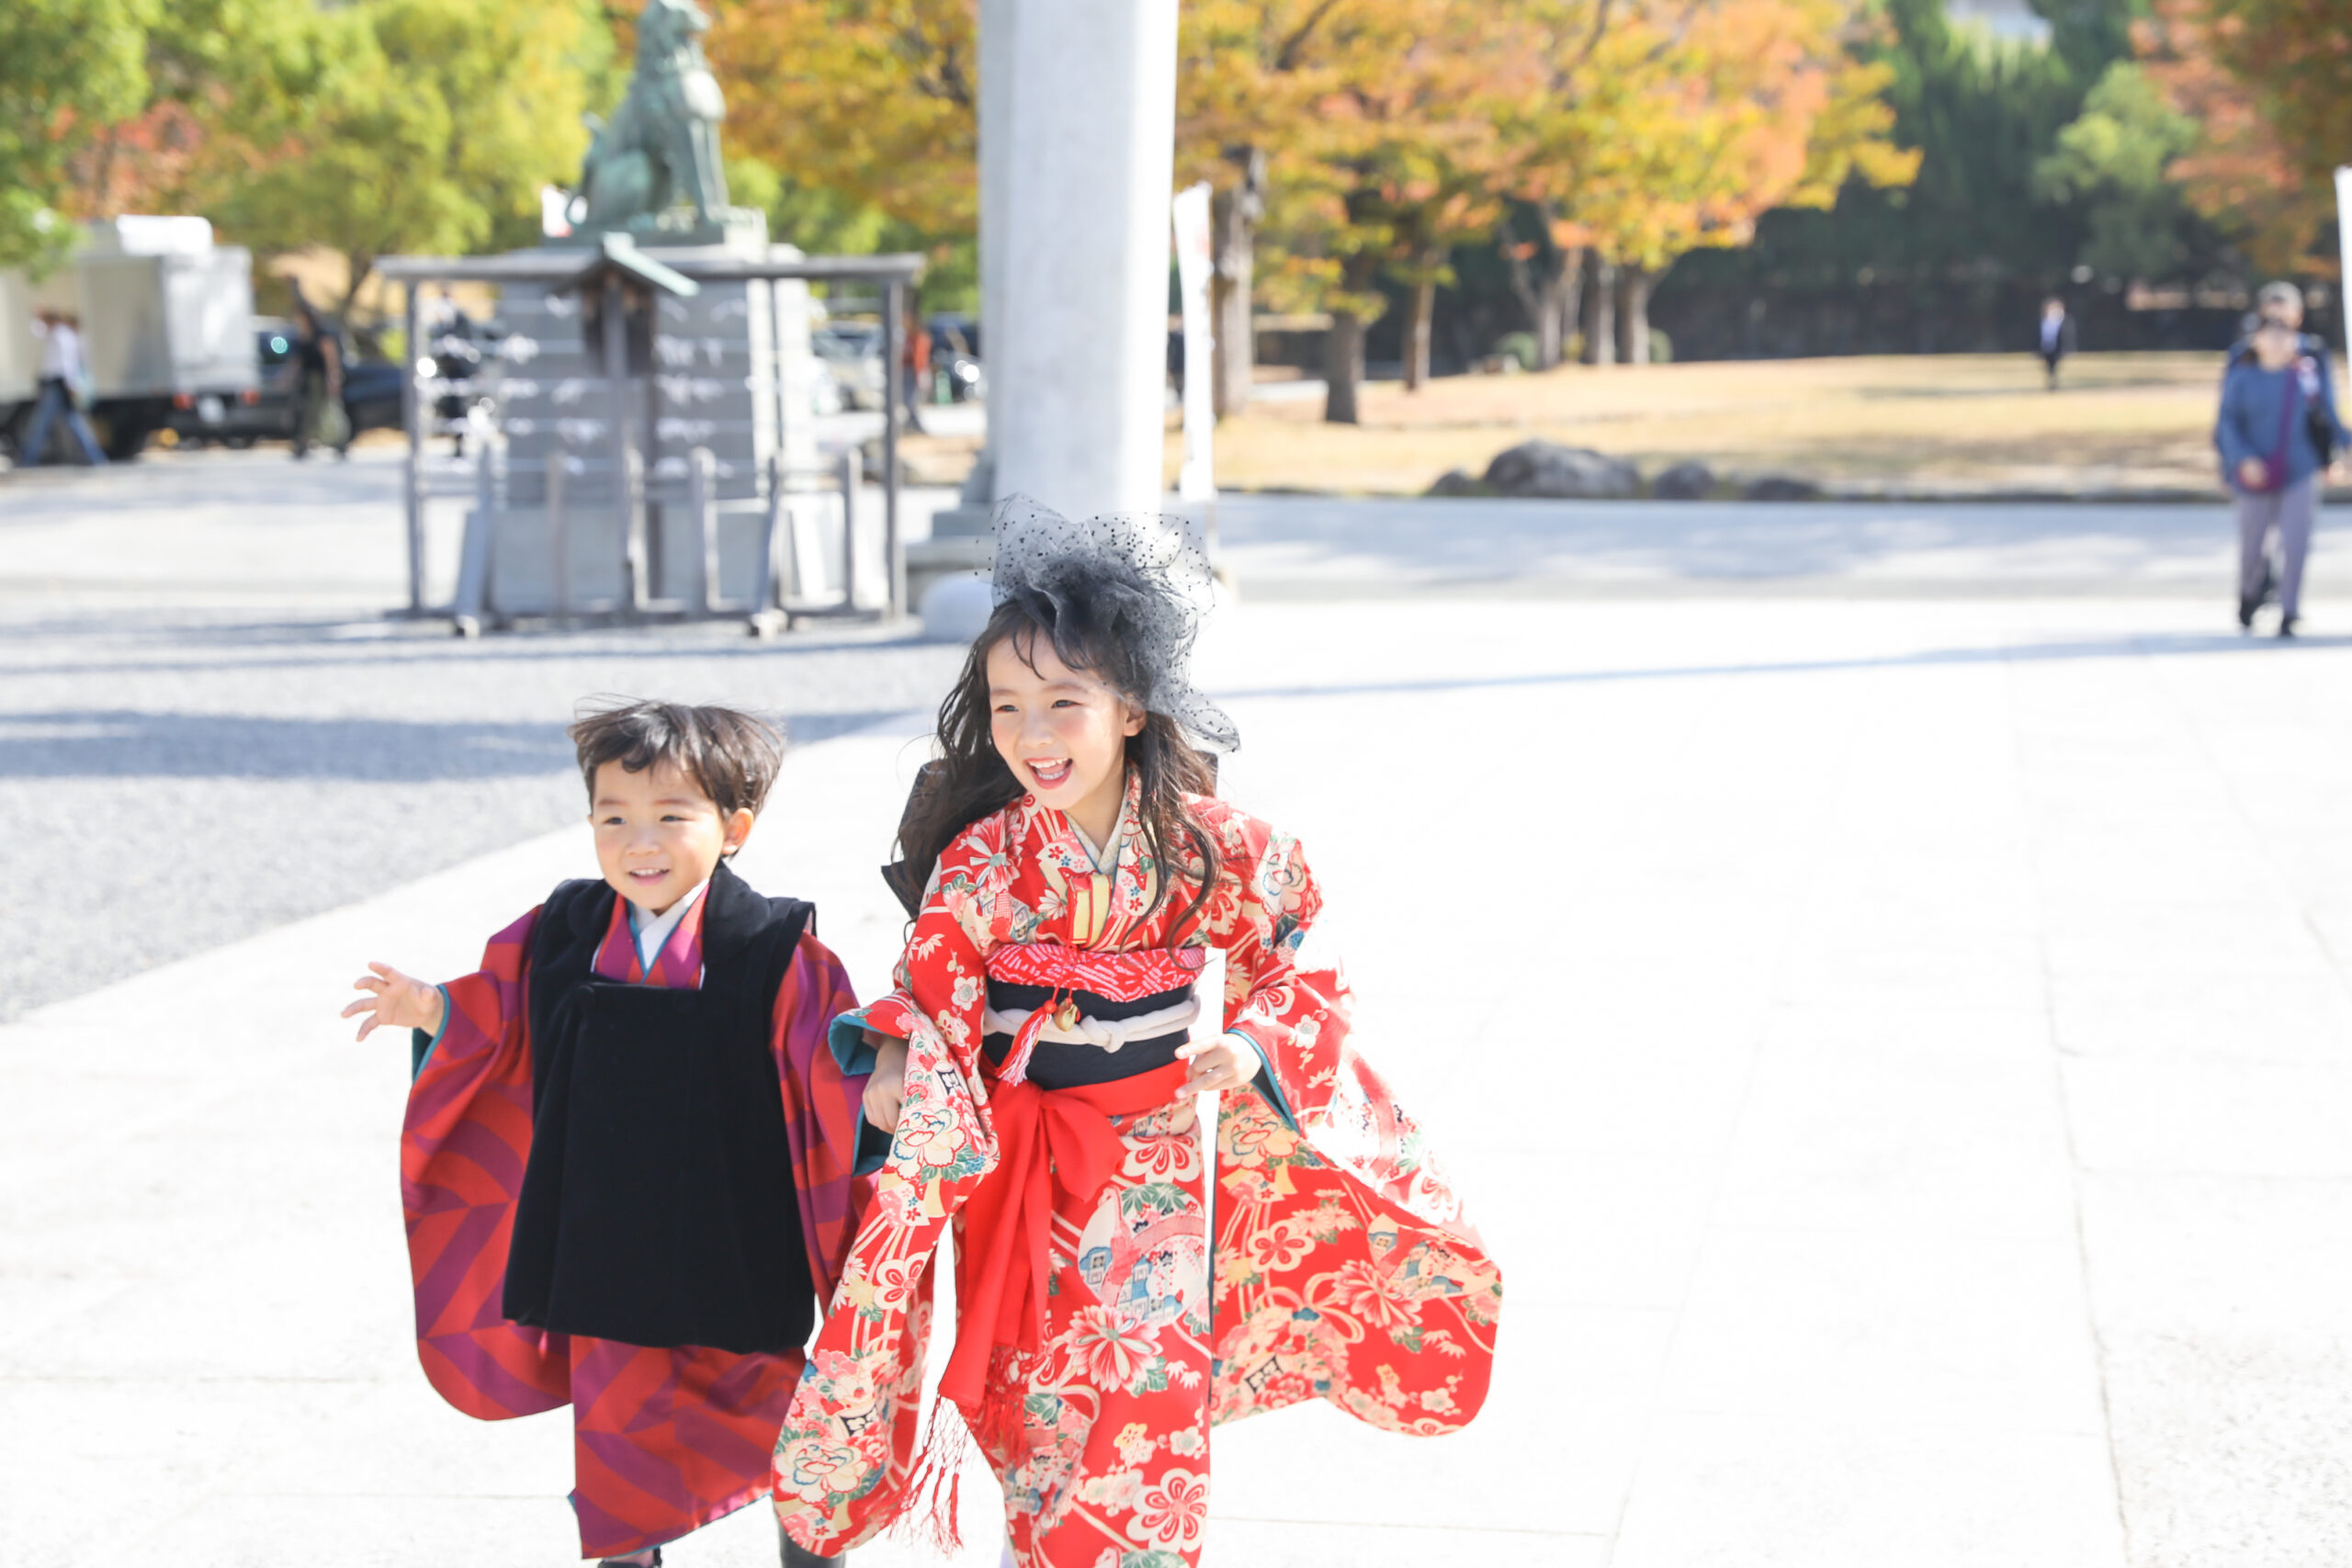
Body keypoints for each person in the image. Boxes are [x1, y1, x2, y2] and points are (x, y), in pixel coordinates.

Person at [770, 499, 1504, 1567]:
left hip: (1153, 1162)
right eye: (1007, 703)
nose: (1029, 734)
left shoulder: (1216, 847)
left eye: (1062, 702)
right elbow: (931, 991)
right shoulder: (981, 860)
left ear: (1130, 709)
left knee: (1150, 1413)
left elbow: (1290, 957)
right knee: (1039, 1409)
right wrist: (898, 1061)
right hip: (1018, 1166)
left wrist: (1250, 1048)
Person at [342, 701, 870, 1567]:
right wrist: (437, 1008)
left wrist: (878, 1078)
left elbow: (828, 1067)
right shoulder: (566, 930)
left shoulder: (773, 948)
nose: (639, 842)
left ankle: (809, 1547)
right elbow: (506, 1018)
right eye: (613, 817)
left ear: (734, 827)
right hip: (607, 1245)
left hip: (732, 1243)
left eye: (671, 816)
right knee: (620, 1446)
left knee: (786, 1429)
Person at [2215, 281, 2349, 637]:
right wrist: (2235, 461)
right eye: (2269, 319)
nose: (2277, 328)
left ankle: (2289, 611)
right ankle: (2251, 595)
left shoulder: (2310, 360)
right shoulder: (2243, 360)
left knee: (2295, 540)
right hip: (2253, 467)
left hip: (2300, 465)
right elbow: (2226, 418)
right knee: (2254, 544)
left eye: (2284, 319)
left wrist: (2341, 448)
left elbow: (2328, 412)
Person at [20, 308, 107, 467]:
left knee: (42, 423)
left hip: (58, 384)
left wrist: (71, 385)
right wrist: (35, 315)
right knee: (73, 423)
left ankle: (27, 459)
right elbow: (36, 331)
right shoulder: (55, 333)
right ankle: (96, 458)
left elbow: (67, 363)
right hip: (57, 383)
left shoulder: (62, 335)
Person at [288, 286, 349, 460]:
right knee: (308, 412)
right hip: (307, 380)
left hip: (321, 380)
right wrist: (287, 377)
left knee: (326, 412)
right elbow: (297, 361)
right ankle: (303, 444)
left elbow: (331, 360)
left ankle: (339, 443)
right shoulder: (303, 337)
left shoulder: (321, 336)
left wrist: (333, 380)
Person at [2038, 296, 2075, 390]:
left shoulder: (2064, 322)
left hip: (2057, 349)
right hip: (2047, 348)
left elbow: (2067, 338)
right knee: (2049, 368)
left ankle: (2055, 384)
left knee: (2055, 367)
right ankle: (2052, 383)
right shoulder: (2043, 322)